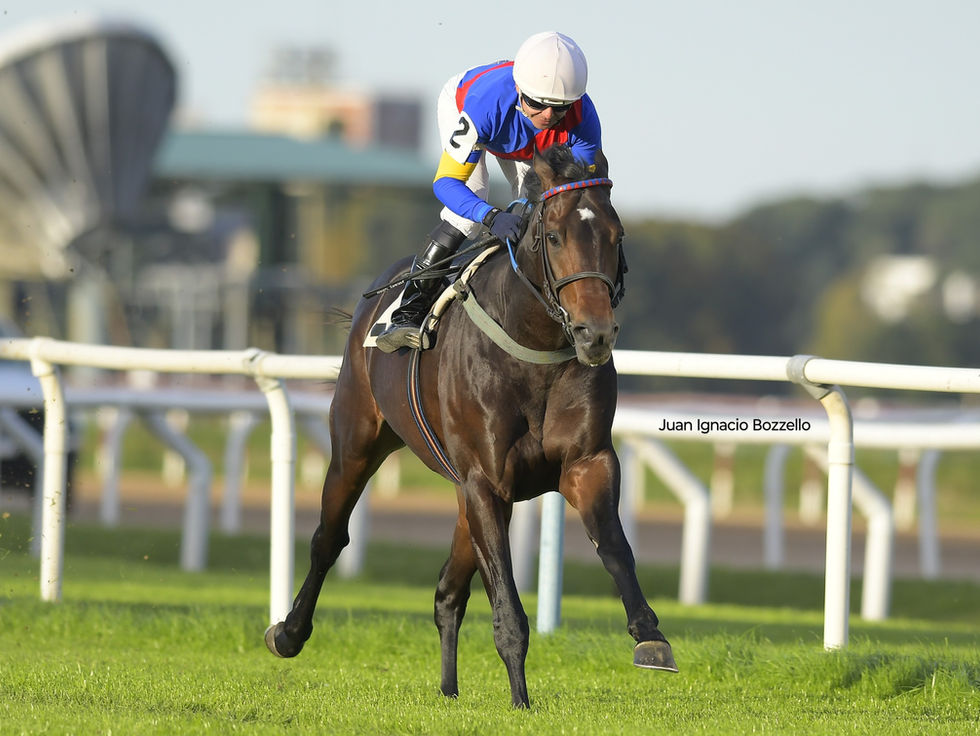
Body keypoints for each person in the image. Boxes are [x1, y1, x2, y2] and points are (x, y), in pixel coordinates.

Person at [374, 30, 603, 352]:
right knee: (470, 207)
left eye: (559, 107)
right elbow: (446, 182)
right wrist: (491, 216)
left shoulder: (584, 119)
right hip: (473, 111)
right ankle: (408, 311)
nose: (548, 116)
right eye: (537, 104)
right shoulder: (485, 107)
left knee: (543, 211)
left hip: (526, 145)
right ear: (519, 89)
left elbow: (575, 196)